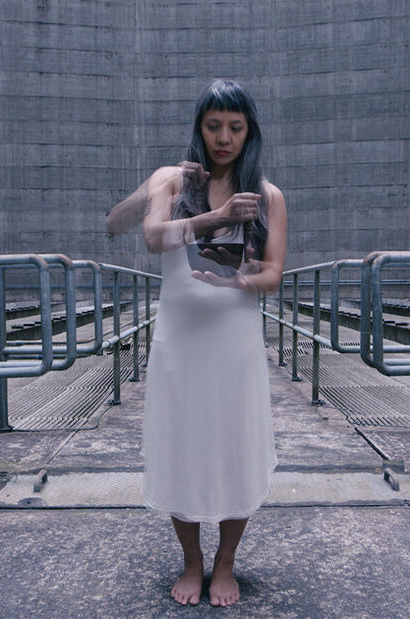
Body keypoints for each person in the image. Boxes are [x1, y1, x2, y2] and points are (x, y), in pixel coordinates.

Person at [117, 79, 287, 607]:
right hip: (180, 340)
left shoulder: (268, 195)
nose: (223, 137)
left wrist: (236, 280)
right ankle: (192, 561)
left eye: (235, 127)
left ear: (249, 132)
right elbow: (151, 238)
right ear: (199, 128)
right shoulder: (172, 180)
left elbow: (274, 274)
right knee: (182, 444)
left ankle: (226, 563)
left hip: (233, 341)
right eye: (213, 126)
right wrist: (215, 218)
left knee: (236, 444)